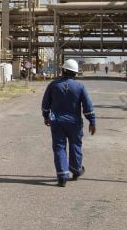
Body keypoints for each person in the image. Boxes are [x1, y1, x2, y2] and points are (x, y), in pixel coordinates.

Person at [41, 59, 96, 187]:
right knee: (75, 145)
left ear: (63, 70)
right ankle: (76, 170)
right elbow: (87, 106)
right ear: (75, 73)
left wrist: (46, 116)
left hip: (57, 122)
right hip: (74, 123)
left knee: (59, 147)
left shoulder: (53, 85)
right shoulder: (80, 87)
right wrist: (92, 121)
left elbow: (45, 104)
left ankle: (62, 177)